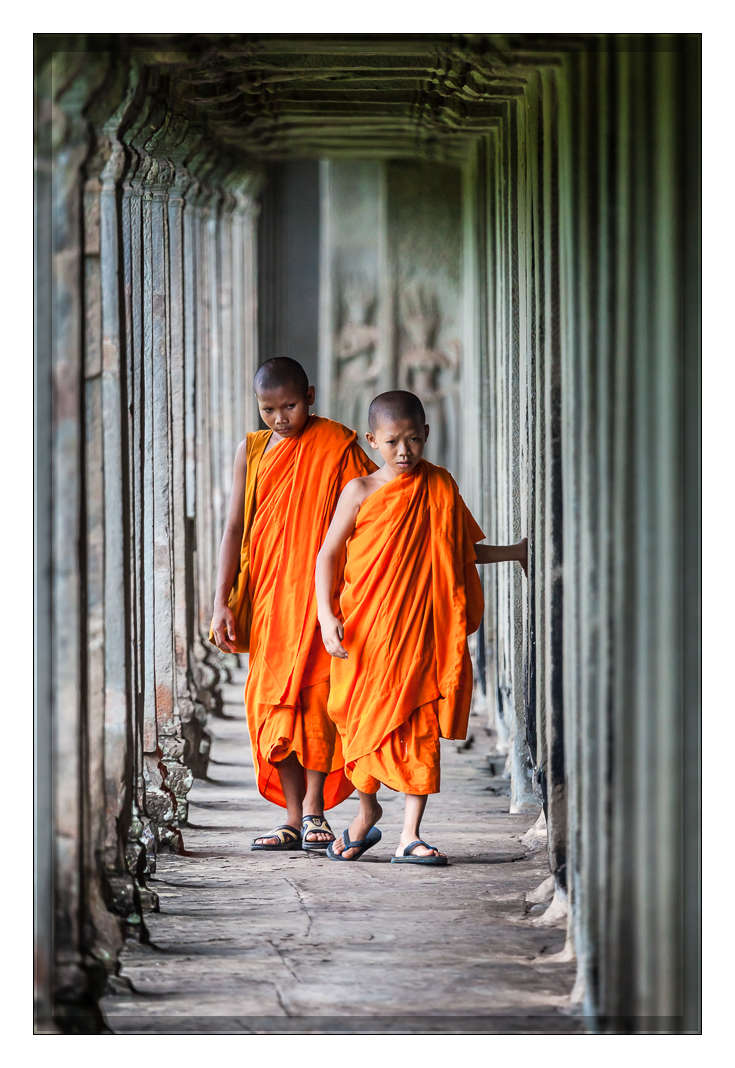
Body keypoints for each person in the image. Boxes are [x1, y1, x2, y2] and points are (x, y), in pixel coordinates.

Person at [314, 390, 527, 864]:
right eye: (392, 442)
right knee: (360, 724)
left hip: (419, 632)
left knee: (417, 723)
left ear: (426, 434)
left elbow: (457, 550)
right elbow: (327, 555)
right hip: (366, 632)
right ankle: (365, 814)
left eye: (413, 439)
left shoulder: (440, 486)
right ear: (372, 441)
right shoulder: (360, 491)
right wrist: (328, 617)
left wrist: (513, 552)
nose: (404, 451)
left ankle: (410, 833)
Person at [210, 357, 376, 852]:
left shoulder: (339, 445)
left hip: (323, 597)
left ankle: (315, 812)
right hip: (267, 597)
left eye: (289, 406)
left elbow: (372, 510)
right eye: (268, 409)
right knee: (270, 702)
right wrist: (221, 600)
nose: (280, 418)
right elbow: (235, 526)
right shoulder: (253, 451)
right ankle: (289, 815)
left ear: (311, 396)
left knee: (317, 700)